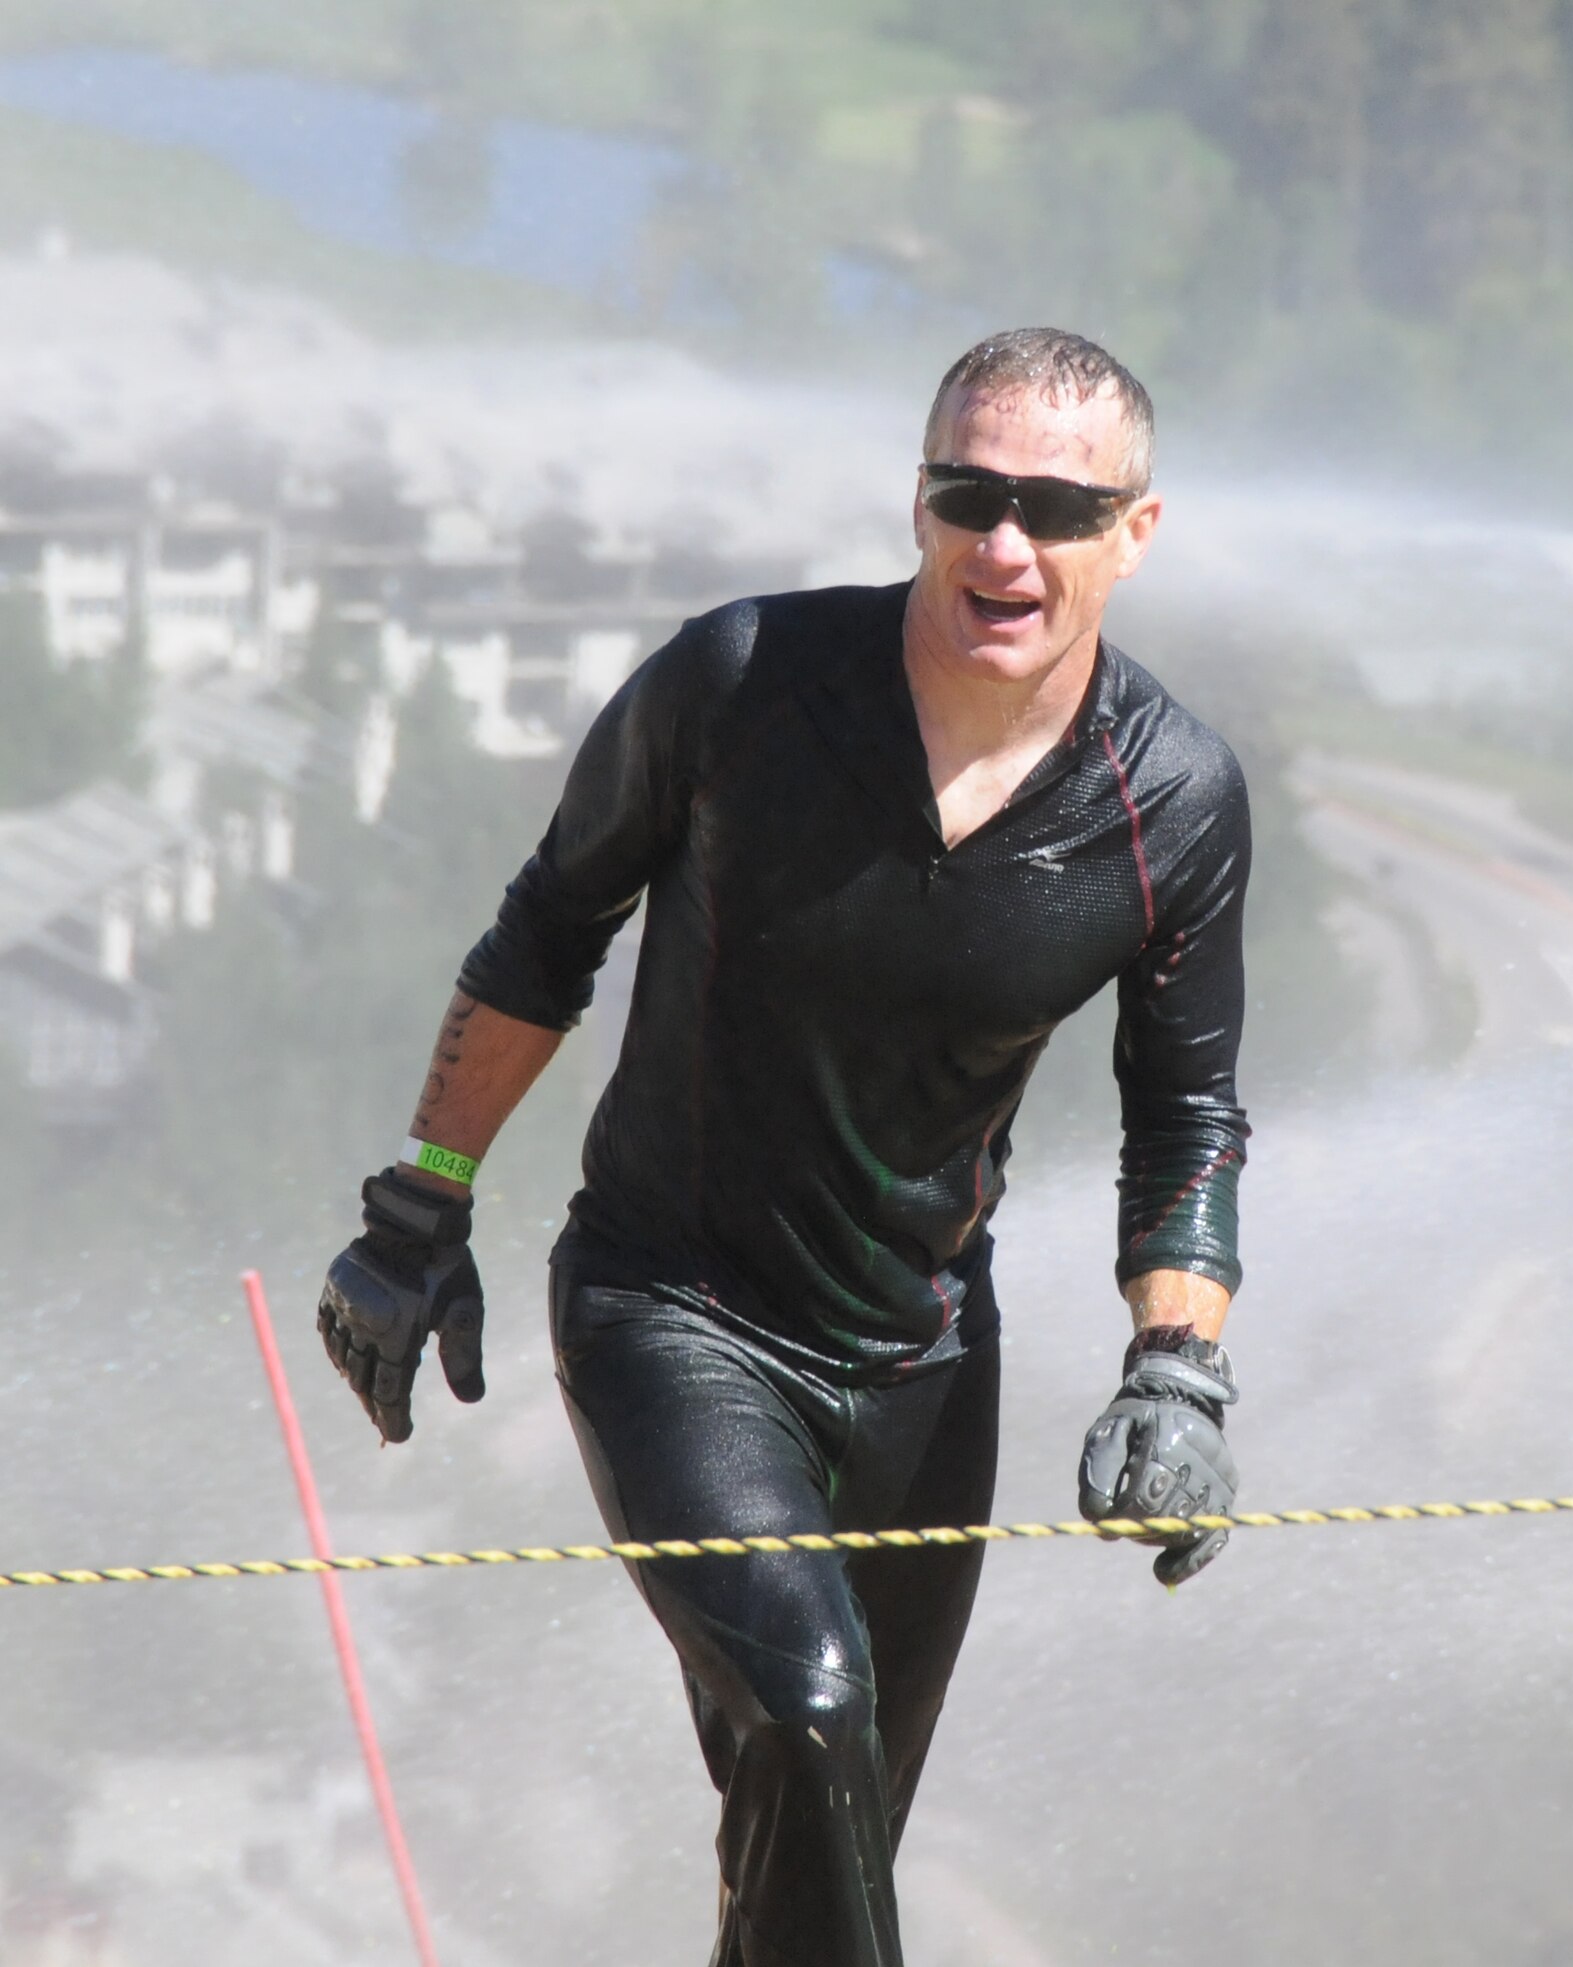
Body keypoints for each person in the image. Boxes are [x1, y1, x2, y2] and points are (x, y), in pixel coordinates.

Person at [316, 327, 1252, 1966]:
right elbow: (551, 929)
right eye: (969, 493)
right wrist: (420, 1209)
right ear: (917, 505)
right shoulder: (740, 682)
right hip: (669, 1313)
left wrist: (1178, 1370)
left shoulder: (1171, 800)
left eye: (1054, 505)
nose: (1004, 543)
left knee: (824, 1826)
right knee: (812, 1711)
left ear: (1137, 534)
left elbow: (1185, 1109)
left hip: (921, 1364)